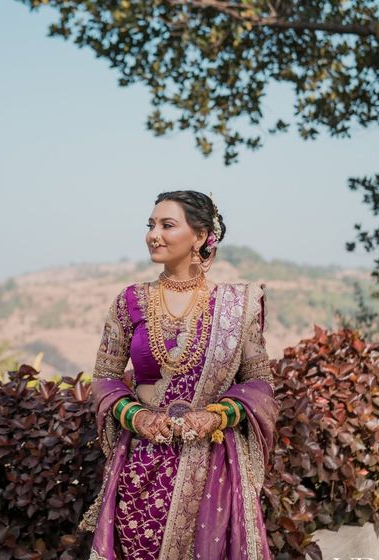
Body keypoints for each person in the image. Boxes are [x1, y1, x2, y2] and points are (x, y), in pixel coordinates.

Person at [78, 190, 279, 560]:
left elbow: (259, 385)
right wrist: (135, 416)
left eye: (167, 225)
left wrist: (216, 415)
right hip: (141, 469)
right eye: (151, 225)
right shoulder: (130, 300)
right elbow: (104, 379)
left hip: (212, 469)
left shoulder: (236, 305)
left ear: (200, 237)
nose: (154, 234)